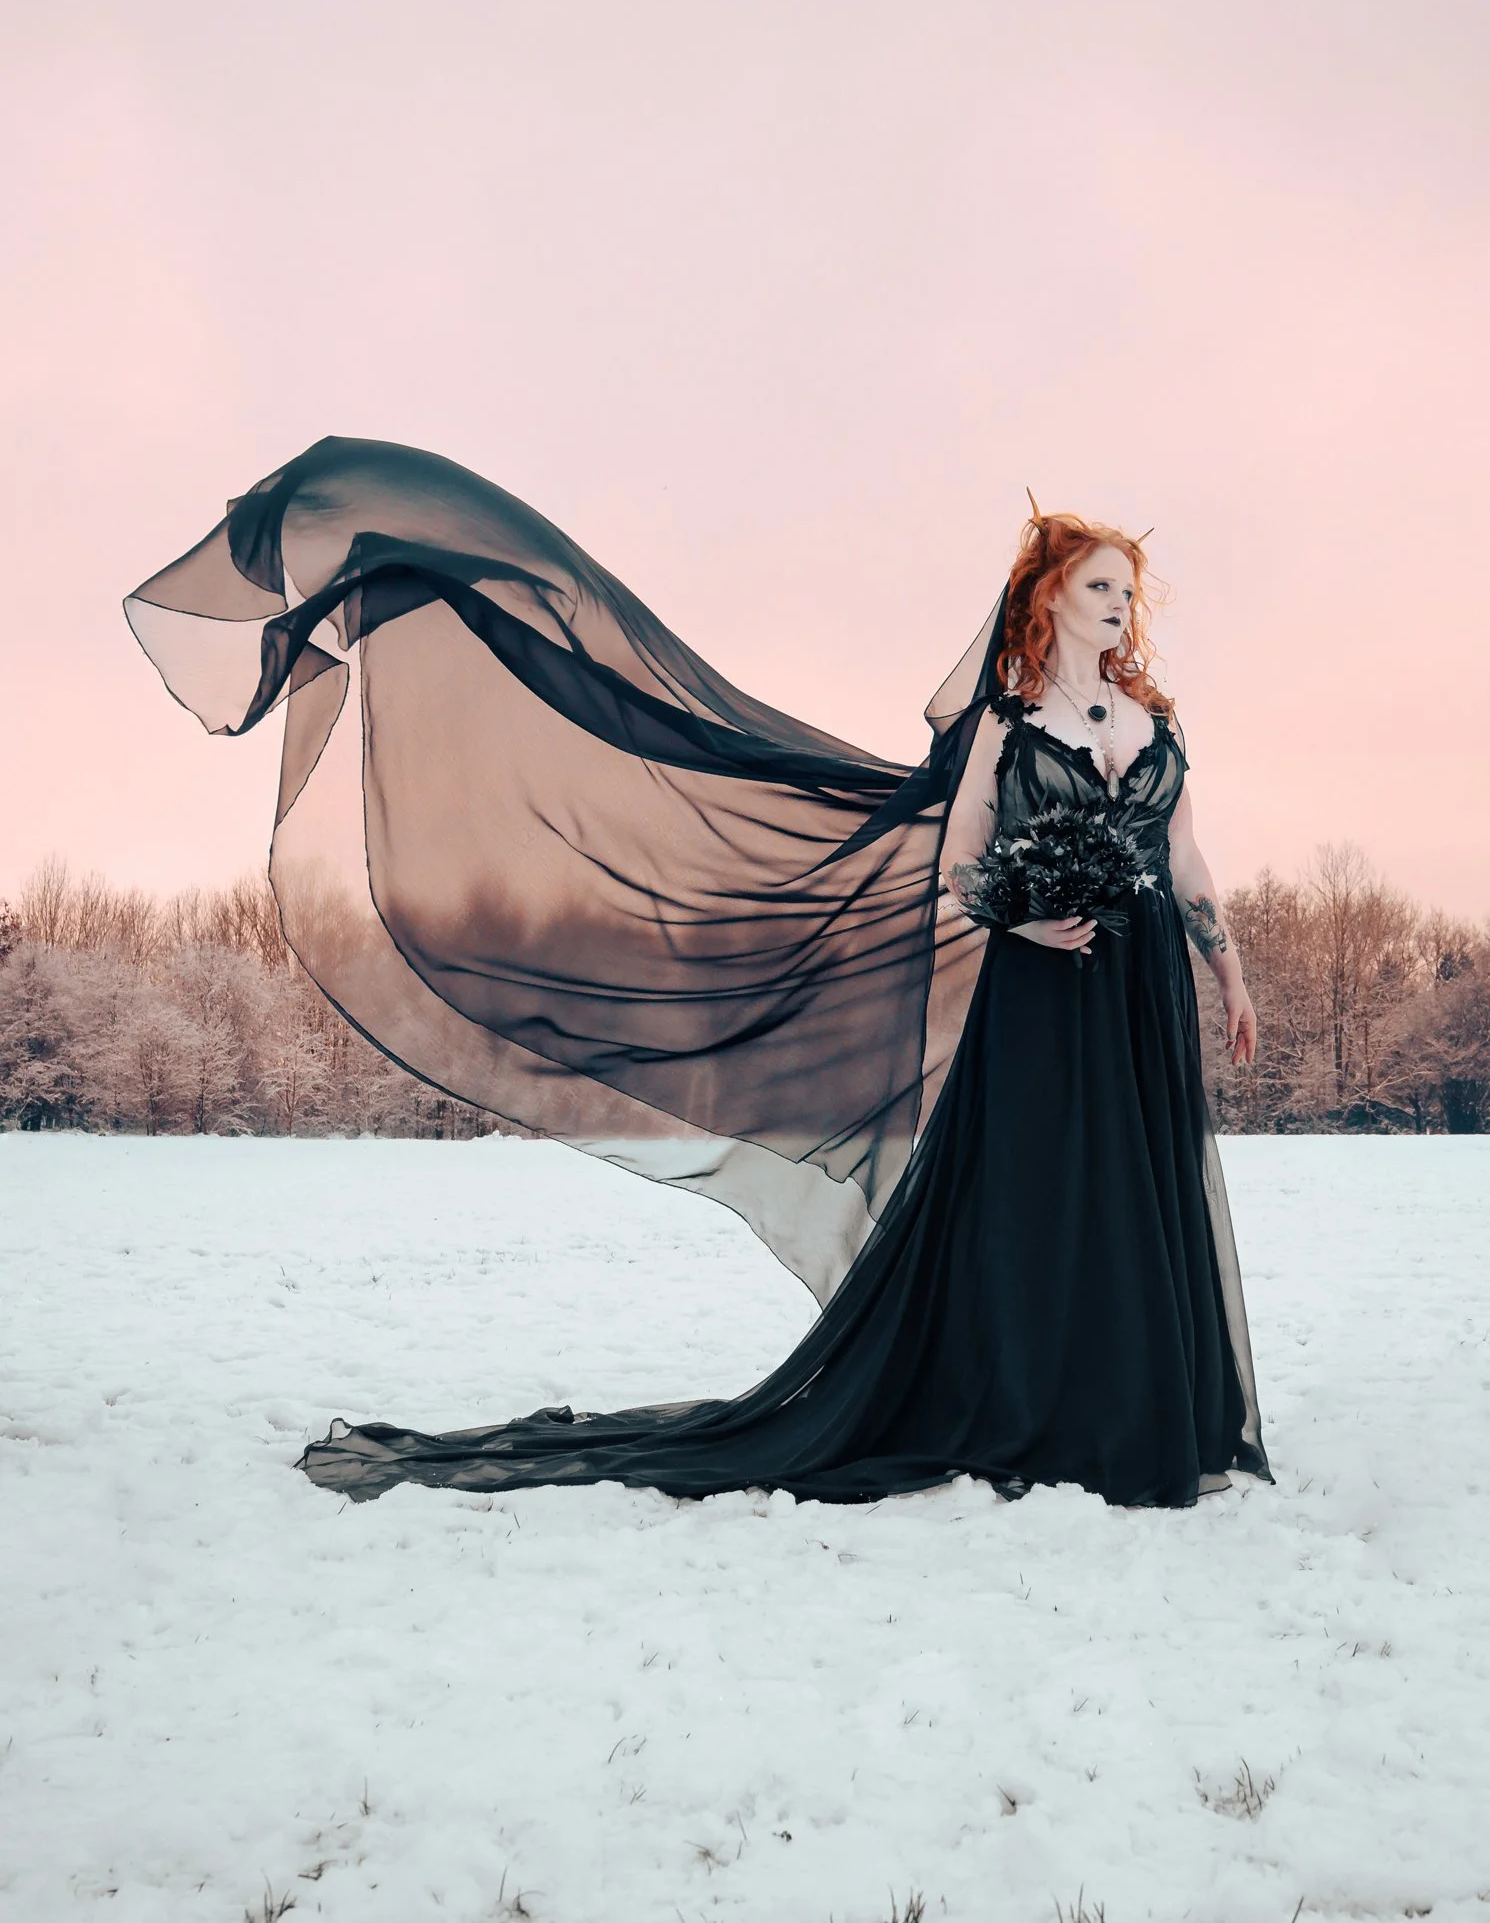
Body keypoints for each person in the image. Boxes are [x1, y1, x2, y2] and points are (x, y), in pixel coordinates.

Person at [125, 438, 1272, 1508]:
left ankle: (1145, 1411)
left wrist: (1225, 971)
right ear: (1046, 596)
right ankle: (1039, 1413)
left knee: (1143, 1183)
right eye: (1097, 585)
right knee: (1041, 1193)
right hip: (1037, 989)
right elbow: (957, 861)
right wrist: (1016, 924)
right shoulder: (1002, 726)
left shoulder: (1152, 718)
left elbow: (1182, 854)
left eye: (1126, 589)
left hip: (1137, 987)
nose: (1116, 604)